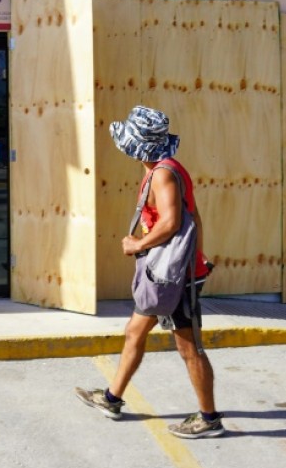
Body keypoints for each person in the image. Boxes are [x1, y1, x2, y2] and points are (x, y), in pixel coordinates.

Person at [75, 105, 223, 439]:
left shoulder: (163, 173)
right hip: (166, 273)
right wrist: (195, 257)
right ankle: (112, 398)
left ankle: (210, 419)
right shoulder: (162, 169)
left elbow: (172, 222)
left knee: (189, 348)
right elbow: (194, 218)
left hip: (175, 278)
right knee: (134, 332)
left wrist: (138, 245)